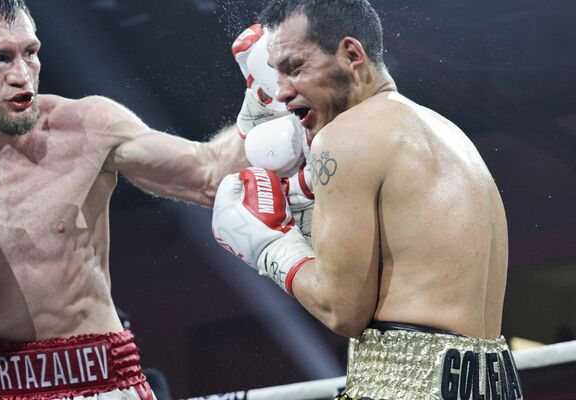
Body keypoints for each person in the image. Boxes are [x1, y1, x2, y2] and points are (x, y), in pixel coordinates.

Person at [0, 1, 280, 399]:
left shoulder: (88, 126)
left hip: (104, 379)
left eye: (30, 53)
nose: (22, 75)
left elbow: (209, 175)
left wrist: (262, 102)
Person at [211, 1, 524, 399]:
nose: (283, 91)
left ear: (351, 54)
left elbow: (341, 310)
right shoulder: (448, 134)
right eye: (277, 74)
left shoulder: (343, 138)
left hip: (407, 386)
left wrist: (270, 246)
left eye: (295, 68)